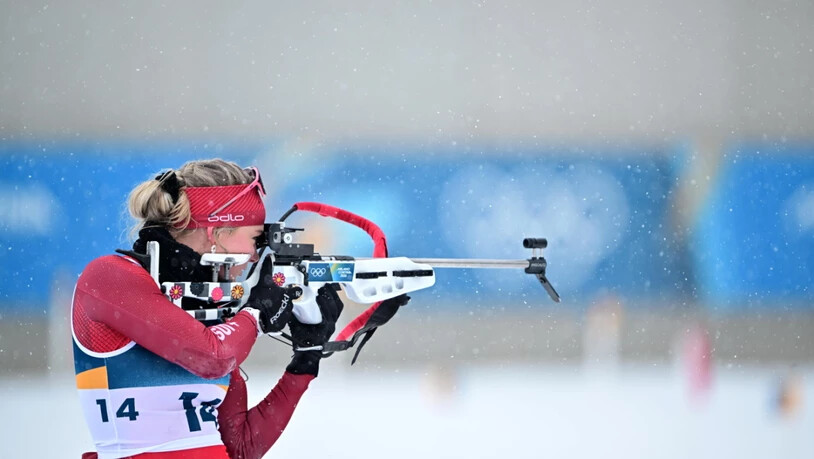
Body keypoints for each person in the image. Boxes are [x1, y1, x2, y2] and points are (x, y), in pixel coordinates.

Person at [71, 159, 342, 459]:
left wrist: (306, 359)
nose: (255, 256)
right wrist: (256, 314)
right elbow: (213, 357)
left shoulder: (207, 308)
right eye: (255, 239)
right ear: (216, 233)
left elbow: (240, 449)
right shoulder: (109, 277)